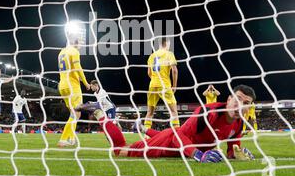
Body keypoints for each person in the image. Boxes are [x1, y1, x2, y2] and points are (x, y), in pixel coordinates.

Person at [88, 85, 256, 162]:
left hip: (176, 140)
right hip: (169, 145)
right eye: (238, 99)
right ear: (228, 99)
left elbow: (232, 151)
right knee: (120, 150)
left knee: (166, 131)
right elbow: (177, 135)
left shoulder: (239, 124)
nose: (241, 105)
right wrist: (198, 154)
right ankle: (98, 112)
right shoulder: (208, 113)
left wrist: (239, 154)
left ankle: (143, 128)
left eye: (246, 103)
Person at [57, 34, 90, 147]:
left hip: (62, 85)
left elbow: (69, 68)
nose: (81, 45)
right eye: (80, 42)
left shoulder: (62, 52)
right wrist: (85, 82)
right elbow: (78, 67)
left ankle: (71, 138)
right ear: (75, 42)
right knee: (76, 113)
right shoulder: (74, 51)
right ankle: (63, 139)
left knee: (75, 113)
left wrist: (77, 76)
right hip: (72, 86)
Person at [145, 37, 179, 131]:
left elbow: (149, 73)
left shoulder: (152, 56)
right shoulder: (169, 54)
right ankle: (177, 134)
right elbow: (174, 70)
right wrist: (174, 86)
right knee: (173, 111)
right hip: (165, 85)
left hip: (152, 85)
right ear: (167, 44)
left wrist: (155, 80)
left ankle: (146, 135)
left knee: (149, 112)